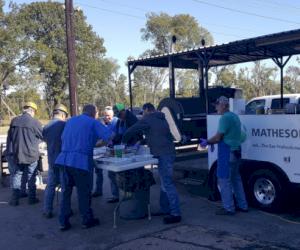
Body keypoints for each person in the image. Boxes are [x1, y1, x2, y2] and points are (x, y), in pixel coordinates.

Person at [122, 103, 181, 224]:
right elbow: (159, 135)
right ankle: (165, 208)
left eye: (143, 112)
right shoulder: (162, 118)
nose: (142, 115)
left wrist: (123, 141)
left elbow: (132, 130)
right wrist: (142, 141)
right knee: (165, 183)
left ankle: (175, 213)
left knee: (168, 183)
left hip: (163, 154)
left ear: (147, 110)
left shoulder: (148, 118)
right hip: (169, 152)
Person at [55, 104, 112, 231]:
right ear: (94, 113)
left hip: (64, 160)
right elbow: (109, 136)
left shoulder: (70, 121)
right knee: (84, 193)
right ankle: (86, 220)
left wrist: (91, 143)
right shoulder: (93, 122)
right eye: (97, 113)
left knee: (66, 192)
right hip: (80, 162)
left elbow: (65, 138)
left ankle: (63, 221)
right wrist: (102, 143)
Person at [200, 96, 248, 215]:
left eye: (217, 105)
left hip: (227, 153)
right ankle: (243, 205)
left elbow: (218, 137)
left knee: (224, 181)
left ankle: (229, 208)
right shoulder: (234, 116)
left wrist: (207, 142)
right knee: (236, 179)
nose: (216, 108)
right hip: (236, 152)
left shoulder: (224, 118)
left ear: (223, 105)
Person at [6, 101, 43, 206]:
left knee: (17, 175)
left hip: (16, 154)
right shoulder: (35, 122)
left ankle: (15, 199)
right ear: (32, 111)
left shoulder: (14, 121)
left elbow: (10, 138)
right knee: (31, 176)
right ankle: (32, 198)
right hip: (31, 155)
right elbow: (42, 136)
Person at [42, 104, 68, 218]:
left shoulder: (46, 127)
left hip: (52, 160)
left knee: (51, 186)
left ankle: (47, 210)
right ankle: (65, 211)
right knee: (64, 187)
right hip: (63, 161)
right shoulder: (65, 125)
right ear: (63, 114)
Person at [93, 106, 118, 199]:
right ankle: (98, 190)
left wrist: (96, 144)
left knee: (112, 173)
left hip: (115, 151)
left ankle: (116, 195)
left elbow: (109, 138)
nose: (106, 117)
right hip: (104, 151)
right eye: (105, 115)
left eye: (108, 116)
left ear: (112, 115)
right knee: (98, 170)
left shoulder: (116, 122)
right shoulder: (105, 124)